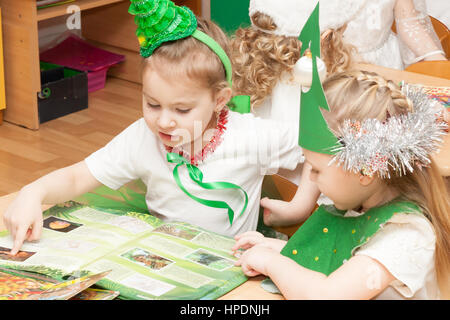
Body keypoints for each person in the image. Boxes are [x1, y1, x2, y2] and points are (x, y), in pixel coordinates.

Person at [3, 0, 303, 255]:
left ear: (220, 99)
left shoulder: (249, 136)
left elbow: (324, 150)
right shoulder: (142, 137)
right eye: (153, 104)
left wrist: (300, 206)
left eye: (182, 109)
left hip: (231, 270)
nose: (163, 121)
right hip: (163, 260)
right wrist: (33, 191)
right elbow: (77, 176)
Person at [232, 69, 450, 299]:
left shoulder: (406, 234)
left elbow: (327, 295)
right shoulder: (357, 206)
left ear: (366, 170)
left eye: (316, 169)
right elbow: (336, 258)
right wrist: (279, 250)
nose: (312, 179)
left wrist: (272, 262)